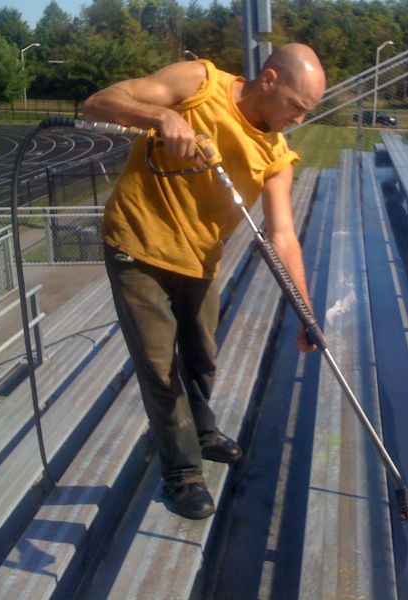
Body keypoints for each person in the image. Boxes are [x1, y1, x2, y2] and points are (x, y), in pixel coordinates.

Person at [82, 44, 325, 520]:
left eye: (307, 112)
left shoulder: (274, 152)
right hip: (136, 244)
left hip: (198, 260)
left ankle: (202, 429)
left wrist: (305, 311)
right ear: (270, 79)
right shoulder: (199, 82)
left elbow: (283, 236)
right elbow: (98, 103)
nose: (298, 119)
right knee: (161, 368)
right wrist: (160, 118)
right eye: (296, 105)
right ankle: (182, 474)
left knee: (202, 358)